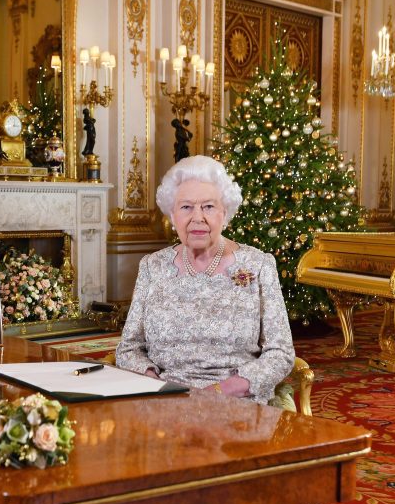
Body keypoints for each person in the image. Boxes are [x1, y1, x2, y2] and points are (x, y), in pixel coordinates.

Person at [116, 155, 294, 404]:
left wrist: (224, 390)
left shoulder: (259, 265)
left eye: (208, 207)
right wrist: (154, 383)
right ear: (172, 214)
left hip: (236, 402)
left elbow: (281, 353)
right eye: (186, 207)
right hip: (165, 400)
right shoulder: (152, 266)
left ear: (225, 212)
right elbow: (129, 348)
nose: (197, 217)